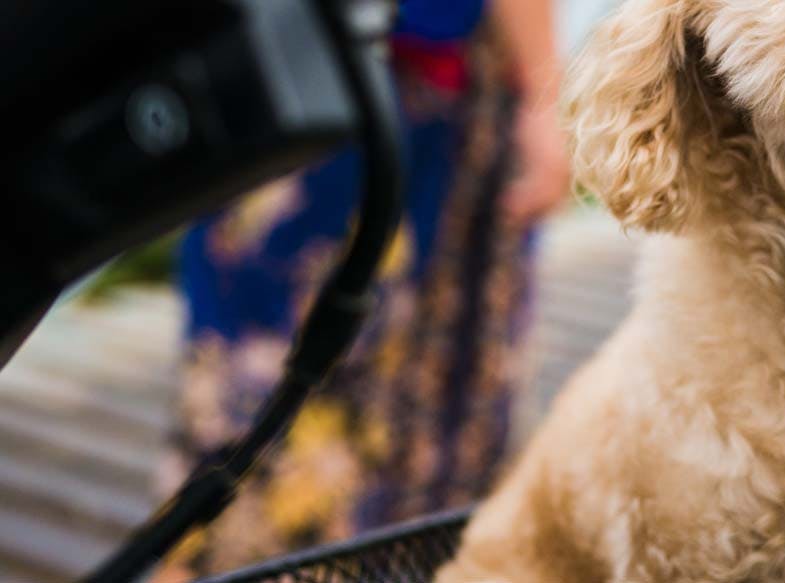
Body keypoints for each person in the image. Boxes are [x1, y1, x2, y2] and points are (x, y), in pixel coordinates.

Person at [154, 0, 568, 577]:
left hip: (276, 68)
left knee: (255, 395)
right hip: (379, 98)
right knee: (359, 401)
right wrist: (544, 90)